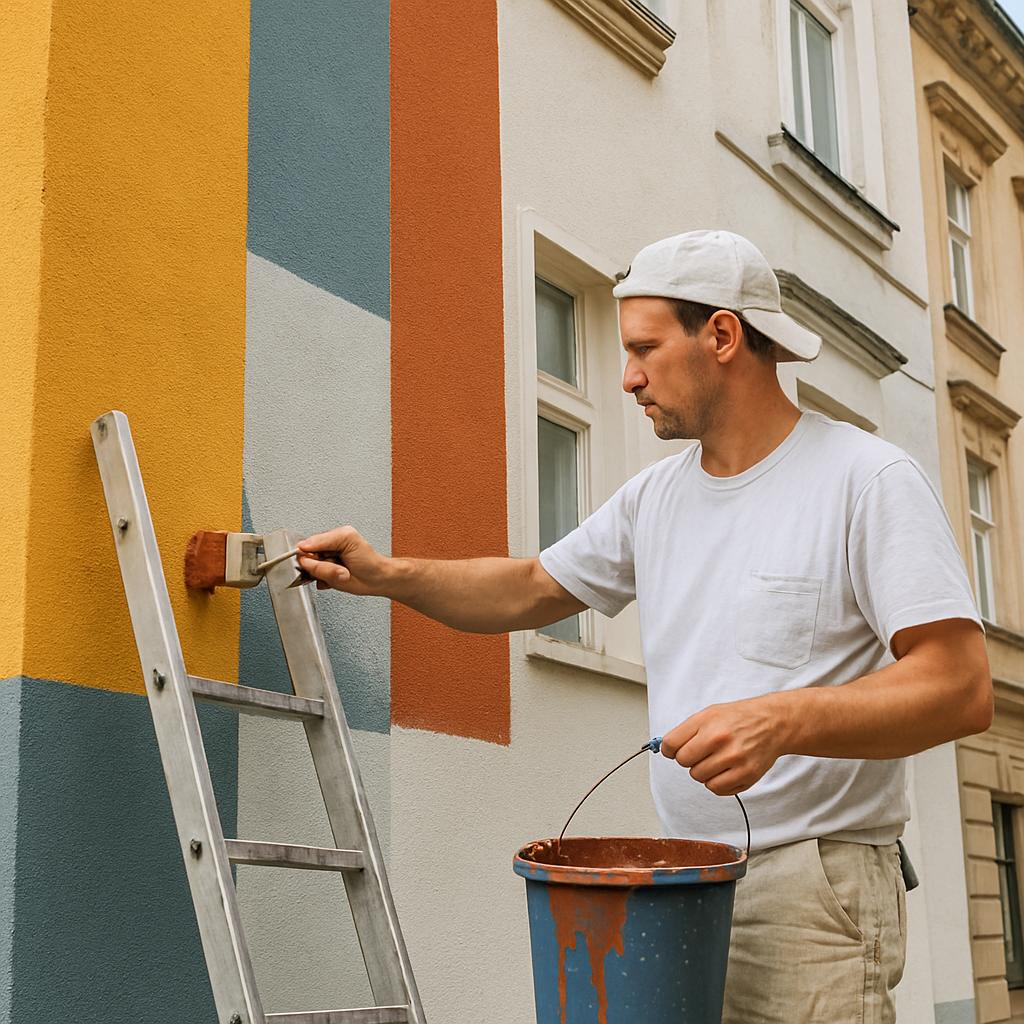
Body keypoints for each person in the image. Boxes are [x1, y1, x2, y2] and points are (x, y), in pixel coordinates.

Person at [297, 229, 992, 1023]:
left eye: (644, 349)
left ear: (722, 336)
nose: (627, 378)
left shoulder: (866, 479)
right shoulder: (652, 498)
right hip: (681, 887)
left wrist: (781, 719)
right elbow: (529, 589)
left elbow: (959, 686)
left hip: (814, 894)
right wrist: (388, 577)